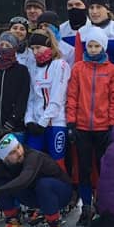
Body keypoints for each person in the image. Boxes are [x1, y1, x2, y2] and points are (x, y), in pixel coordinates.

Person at [65, 26, 114, 227]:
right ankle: (86, 206)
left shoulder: (112, 70)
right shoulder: (78, 68)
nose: (93, 49)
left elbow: (113, 99)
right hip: (82, 127)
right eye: (90, 45)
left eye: (97, 45)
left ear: (103, 47)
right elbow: (72, 95)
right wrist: (71, 121)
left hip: (103, 127)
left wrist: (113, 124)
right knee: (84, 169)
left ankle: (103, 205)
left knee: (104, 168)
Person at [24, 29, 71, 162]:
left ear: (49, 45)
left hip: (55, 123)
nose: (35, 52)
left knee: (57, 163)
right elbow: (31, 97)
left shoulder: (60, 65)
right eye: (32, 48)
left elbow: (57, 98)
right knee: (32, 162)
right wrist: (29, 120)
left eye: (38, 47)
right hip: (36, 123)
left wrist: (43, 122)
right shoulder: (33, 67)